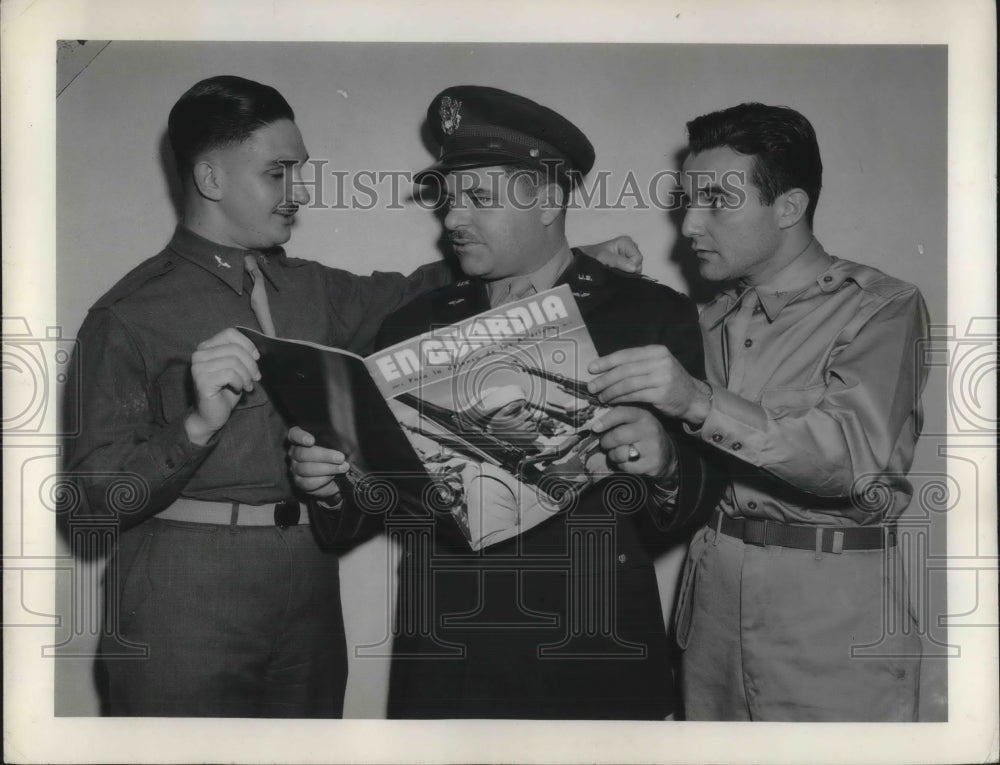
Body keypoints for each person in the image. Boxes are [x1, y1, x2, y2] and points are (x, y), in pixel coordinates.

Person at [61, 75, 644, 718]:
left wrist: (567, 258)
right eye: (278, 173)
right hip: (183, 587)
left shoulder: (312, 290)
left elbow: (425, 294)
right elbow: (89, 504)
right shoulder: (128, 313)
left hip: (309, 578)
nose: (298, 193)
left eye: (300, 172)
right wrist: (195, 426)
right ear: (211, 179)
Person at [288, 85, 716, 719]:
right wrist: (329, 483)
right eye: (450, 201)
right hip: (450, 657)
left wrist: (667, 464)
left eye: (479, 200)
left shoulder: (651, 314)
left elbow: (692, 506)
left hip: (594, 657)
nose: (453, 220)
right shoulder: (413, 326)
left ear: (547, 200)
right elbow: (371, 503)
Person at [588, 102, 929, 721]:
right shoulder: (700, 321)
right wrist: (585, 280)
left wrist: (696, 399)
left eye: (717, 201)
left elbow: (853, 462)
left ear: (789, 208)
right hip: (707, 619)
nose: (690, 225)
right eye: (687, 201)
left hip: (832, 630)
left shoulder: (881, 308)